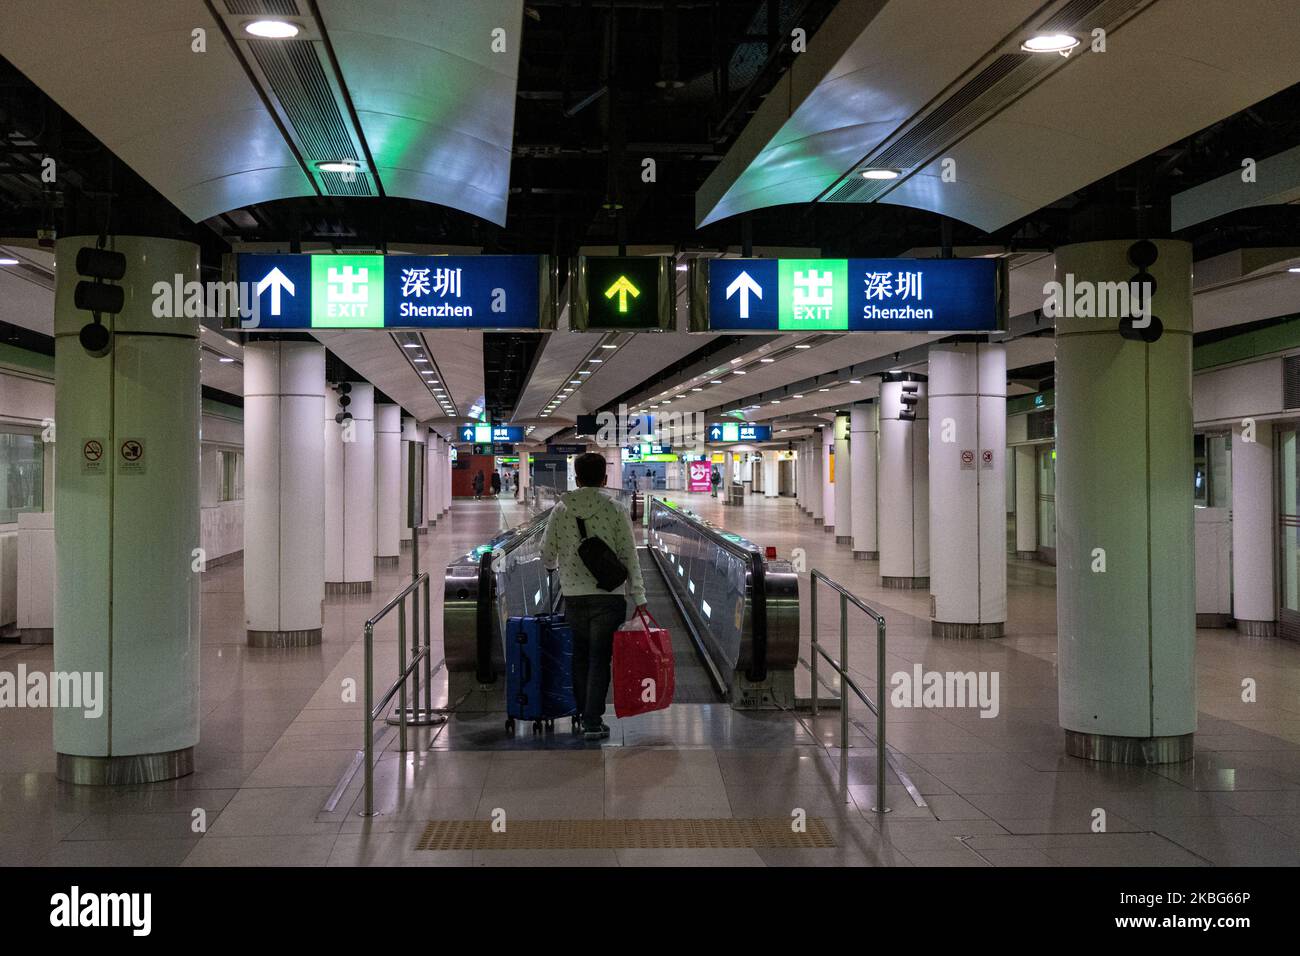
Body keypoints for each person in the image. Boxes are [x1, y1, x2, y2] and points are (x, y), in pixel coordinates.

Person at [541, 452, 647, 740]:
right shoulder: (615, 509)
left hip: (574, 596)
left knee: (580, 656)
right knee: (601, 658)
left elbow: (547, 553)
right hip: (609, 597)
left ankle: (579, 711)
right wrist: (639, 598)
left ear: (576, 478)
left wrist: (554, 565)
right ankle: (593, 719)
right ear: (605, 479)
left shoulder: (560, 510)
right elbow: (629, 556)